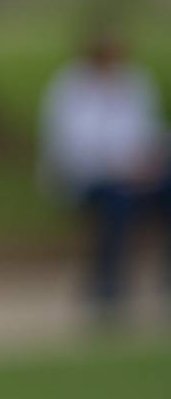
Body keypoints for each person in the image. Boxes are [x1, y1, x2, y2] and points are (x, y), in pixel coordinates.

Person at [37, 22, 171, 327]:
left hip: (137, 173)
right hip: (89, 178)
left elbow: (147, 130)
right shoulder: (70, 89)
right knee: (117, 205)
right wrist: (125, 167)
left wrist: (152, 158)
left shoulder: (135, 82)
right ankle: (107, 288)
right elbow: (75, 147)